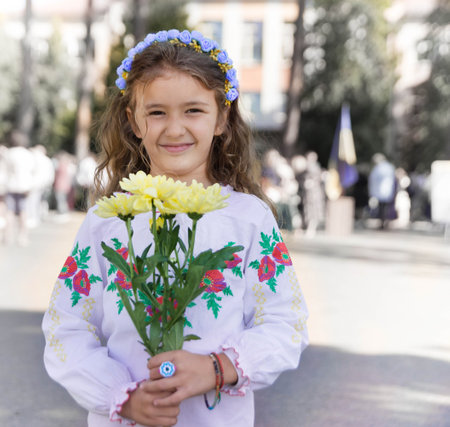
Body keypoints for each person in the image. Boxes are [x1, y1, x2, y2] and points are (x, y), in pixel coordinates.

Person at [42, 29, 308, 427]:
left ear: (222, 118)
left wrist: (218, 368)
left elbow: (286, 323)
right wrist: (121, 396)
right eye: (157, 112)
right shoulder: (108, 221)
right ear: (133, 121)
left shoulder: (249, 219)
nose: (175, 128)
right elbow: (66, 328)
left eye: (194, 110)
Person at [368, 153, 397, 229]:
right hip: (386, 192)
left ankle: (383, 223)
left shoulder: (378, 168)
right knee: (385, 208)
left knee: (382, 209)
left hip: (380, 192)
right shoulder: (389, 167)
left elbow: (373, 180)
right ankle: (384, 222)